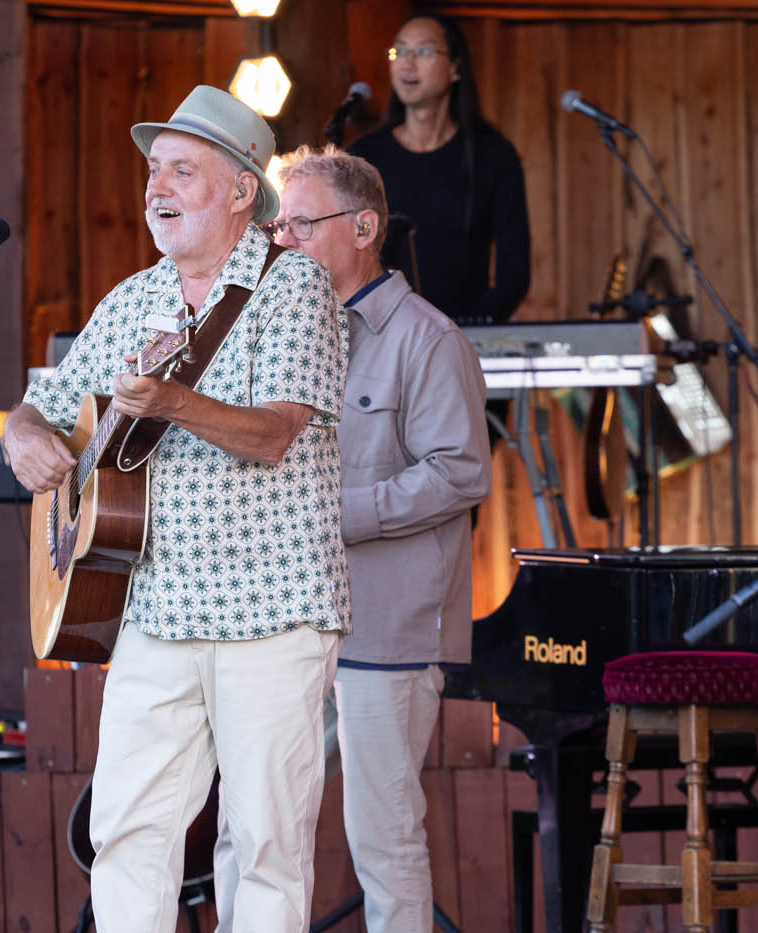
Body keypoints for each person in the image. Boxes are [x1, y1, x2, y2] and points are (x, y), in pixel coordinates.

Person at [2, 86, 351, 932]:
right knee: (126, 831)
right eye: (153, 171)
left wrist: (168, 401)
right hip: (152, 606)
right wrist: (23, 436)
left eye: (181, 171)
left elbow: (275, 434)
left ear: (239, 191)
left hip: (269, 609)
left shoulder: (292, 286)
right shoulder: (131, 300)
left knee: (265, 845)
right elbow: (42, 404)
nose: (157, 188)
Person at [216, 146, 491, 932]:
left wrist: (331, 515)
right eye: (278, 226)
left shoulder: (429, 339)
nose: (284, 240)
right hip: (281, 623)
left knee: (384, 837)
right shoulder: (276, 331)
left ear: (365, 226)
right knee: (248, 825)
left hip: (386, 627)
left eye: (302, 223)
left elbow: (460, 474)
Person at [348, 11, 531, 324]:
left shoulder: (493, 154)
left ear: (455, 68)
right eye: (400, 51)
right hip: (378, 338)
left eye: (423, 52)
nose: (407, 63)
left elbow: (514, 275)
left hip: (463, 336)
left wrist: (463, 332)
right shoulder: (363, 158)